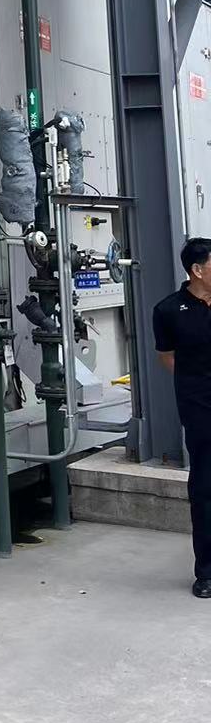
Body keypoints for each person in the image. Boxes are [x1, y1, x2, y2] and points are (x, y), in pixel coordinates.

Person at [153, 238, 211, 597]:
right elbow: (167, 357)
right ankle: (207, 572)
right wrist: (197, 385)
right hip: (201, 409)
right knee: (205, 488)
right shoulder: (169, 310)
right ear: (197, 270)